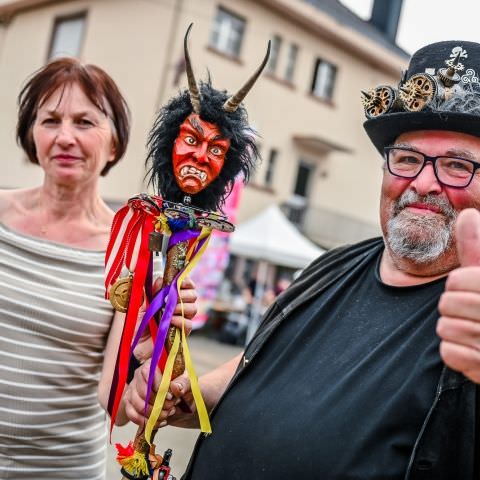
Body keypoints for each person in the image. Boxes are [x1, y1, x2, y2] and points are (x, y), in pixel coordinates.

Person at [126, 40, 480, 479]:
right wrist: (182, 395)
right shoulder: (328, 269)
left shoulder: (473, 310)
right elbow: (259, 367)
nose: (423, 182)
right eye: (406, 159)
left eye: (457, 166)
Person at [0, 57, 197, 480]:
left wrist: (151, 377)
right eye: (50, 120)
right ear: (30, 134)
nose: (65, 137)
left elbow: (117, 404)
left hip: (58, 469)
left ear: (114, 143)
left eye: (85, 122)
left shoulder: (130, 249)